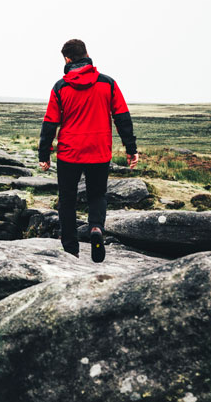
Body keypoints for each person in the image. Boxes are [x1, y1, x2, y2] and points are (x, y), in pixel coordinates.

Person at [38, 39, 138, 263]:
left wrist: (44, 155)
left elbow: (50, 123)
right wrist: (131, 149)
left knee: (67, 199)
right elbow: (122, 117)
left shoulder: (60, 87)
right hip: (99, 151)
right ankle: (95, 229)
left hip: (69, 152)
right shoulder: (108, 83)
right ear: (86, 54)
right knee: (97, 195)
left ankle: (71, 249)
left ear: (67, 59)